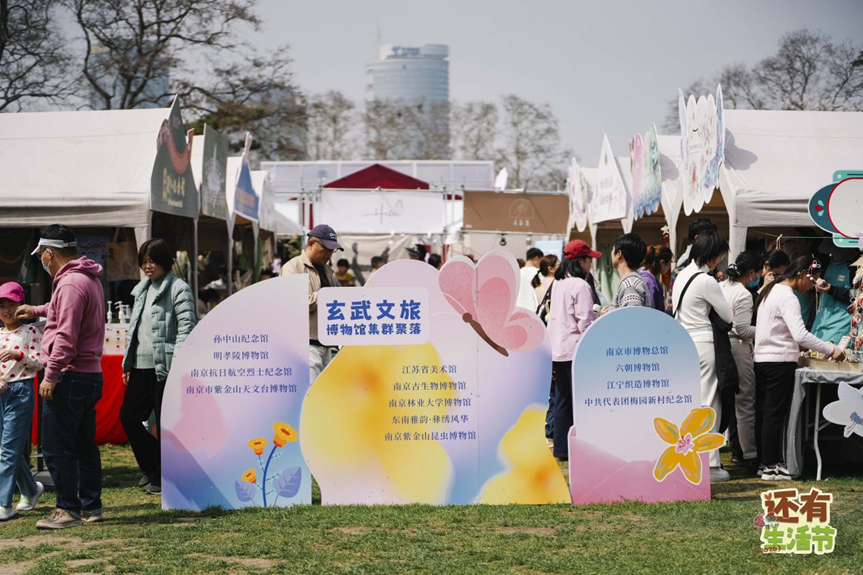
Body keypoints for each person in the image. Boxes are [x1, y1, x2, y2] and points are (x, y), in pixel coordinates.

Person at [16, 225, 106, 529]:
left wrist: (51, 375)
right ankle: (92, 506)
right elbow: (62, 310)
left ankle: (67, 509)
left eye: (42, 255)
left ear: (49, 253)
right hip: (89, 374)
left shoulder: (69, 284)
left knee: (56, 447)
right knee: (84, 445)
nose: (42, 260)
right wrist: (36, 310)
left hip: (69, 375)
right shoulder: (87, 278)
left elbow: (66, 337)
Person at [754, 257, 841, 481]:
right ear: (801, 273)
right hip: (779, 361)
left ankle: (765, 463)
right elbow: (800, 334)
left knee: (765, 413)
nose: (812, 287)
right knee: (774, 415)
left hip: (762, 359)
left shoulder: (772, 290)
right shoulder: (787, 296)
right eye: (812, 281)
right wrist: (829, 350)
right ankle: (771, 465)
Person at [120, 239, 196, 495]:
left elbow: (186, 327)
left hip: (166, 367)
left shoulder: (179, 289)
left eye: (152, 261)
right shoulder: (141, 289)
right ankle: (153, 467)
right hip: (140, 366)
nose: (147, 266)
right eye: (143, 262)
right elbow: (136, 330)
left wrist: (178, 363)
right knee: (128, 416)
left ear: (164, 260)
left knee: (166, 424)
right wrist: (128, 362)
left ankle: (164, 477)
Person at [671, 230, 734, 482]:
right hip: (705, 344)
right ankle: (710, 464)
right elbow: (728, 316)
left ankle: (693, 458)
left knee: (692, 405)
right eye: (720, 256)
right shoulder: (706, 281)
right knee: (709, 404)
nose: (720, 261)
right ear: (712, 254)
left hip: (684, 345)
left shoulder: (681, 276)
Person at [547, 240, 602, 460]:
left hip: (557, 348)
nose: (591, 264)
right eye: (589, 260)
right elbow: (585, 321)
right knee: (580, 400)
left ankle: (561, 448)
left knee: (562, 398)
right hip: (576, 349)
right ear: (580, 261)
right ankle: (583, 448)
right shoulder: (580, 285)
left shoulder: (558, 282)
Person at [0, 282, 44, 521]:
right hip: (1, 393)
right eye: (2, 306)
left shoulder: (30, 331)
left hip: (20, 392)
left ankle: (4, 504)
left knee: (8, 450)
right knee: (6, 450)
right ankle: (30, 488)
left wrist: (19, 355)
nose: (7, 310)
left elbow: (39, 363)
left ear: (21, 306)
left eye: (11, 304)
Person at [720, 251, 764, 473]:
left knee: (723, 402)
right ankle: (750, 455)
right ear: (752, 272)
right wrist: (767, 330)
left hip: (720, 346)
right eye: (758, 273)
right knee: (745, 402)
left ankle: (735, 450)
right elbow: (743, 329)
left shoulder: (721, 287)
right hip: (738, 348)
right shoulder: (744, 294)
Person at [281, 225, 341, 384]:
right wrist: (327, 296)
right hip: (305, 344)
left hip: (326, 343)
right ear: (311, 244)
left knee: (324, 392)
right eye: (326, 249)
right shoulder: (293, 268)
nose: (329, 254)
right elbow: (295, 302)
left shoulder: (328, 271)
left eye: (332, 250)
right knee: (310, 392)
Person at [609, 233, 650, 309]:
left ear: (619, 254)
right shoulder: (633, 282)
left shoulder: (630, 285)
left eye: (613, 249)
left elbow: (632, 315)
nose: (611, 252)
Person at [638, 245, 673, 312]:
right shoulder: (650, 283)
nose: (669, 267)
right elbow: (652, 312)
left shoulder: (641, 275)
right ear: (662, 262)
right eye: (669, 264)